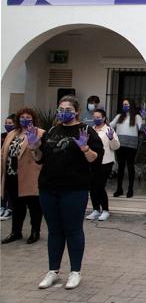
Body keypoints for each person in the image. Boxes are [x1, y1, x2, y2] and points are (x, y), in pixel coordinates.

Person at [29, 95, 103, 290]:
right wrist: (34, 147)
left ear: (76, 111)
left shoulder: (86, 130)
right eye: (60, 109)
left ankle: (75, 272)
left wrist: (85, 147)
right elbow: (40, 159)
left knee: (73, 230)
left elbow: (94, 160)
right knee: (54, 231)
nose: (63, 113)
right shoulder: (52, 130)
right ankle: (53, 271)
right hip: (48, 188)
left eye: (67, 109)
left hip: (74, 189)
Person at [1, 108, 45, 244]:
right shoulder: (12, 133)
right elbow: (3, 152)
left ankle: (35, 232)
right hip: (11, 174)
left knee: (34, 206)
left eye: (28, 117)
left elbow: (42, 155)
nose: (24, 119)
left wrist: (34, 143)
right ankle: (16, 232)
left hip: (30, 175)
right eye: (22, 117)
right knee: (16, 205)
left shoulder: (40, 133)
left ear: (33, 119)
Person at [85, 109, 120, 222]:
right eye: (94, 117)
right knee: (92, 187)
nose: (96, 119)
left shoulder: (109, 130)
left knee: (100, 186)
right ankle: (96, 209)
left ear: (104, 118)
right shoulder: (91, 130)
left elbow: (116, 146)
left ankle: (105, 210)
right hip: (93, 161)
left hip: (106, 162)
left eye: (98, 117)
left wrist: (111, 138)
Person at [110, 99, 143, 198]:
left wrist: (144, 118)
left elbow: (142, 128)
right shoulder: (119, 116)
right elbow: (110, 125)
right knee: (120, 167)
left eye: (127, 104)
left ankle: (130, 189)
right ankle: (119, 189)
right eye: (123, 104)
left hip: (132, 145)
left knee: (130, 167)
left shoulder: (137, 117)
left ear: (131, 105)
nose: (125, 106)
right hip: (120, 144)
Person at [1, 114, 17, 221]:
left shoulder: (17, 136)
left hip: (13, 166)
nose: (7, 125)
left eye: (10, 123)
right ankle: (2, 206)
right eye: (6, 123)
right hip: (3, 164)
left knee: (11, 188)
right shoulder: (3, 135)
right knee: (3, 187)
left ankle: (10, 208)